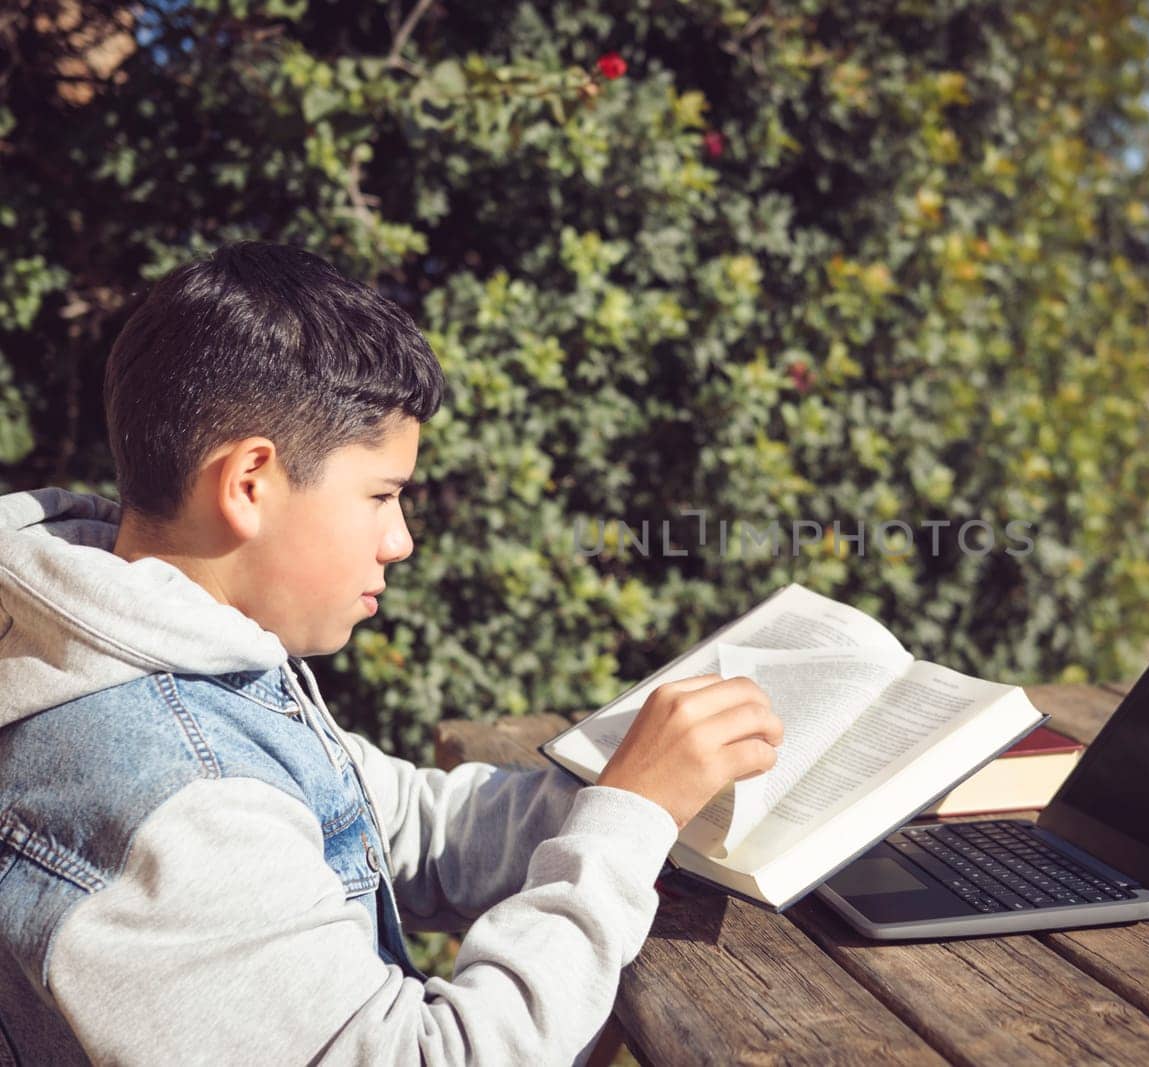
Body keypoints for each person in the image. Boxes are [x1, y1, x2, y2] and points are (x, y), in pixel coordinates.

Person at [0, 242, 784, 1065]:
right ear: (250, 483)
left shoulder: (171, 646)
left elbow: (399, 823)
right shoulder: (177, 798)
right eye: (381, 495)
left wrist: (639, 789)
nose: (401, 539)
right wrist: (630, 819)